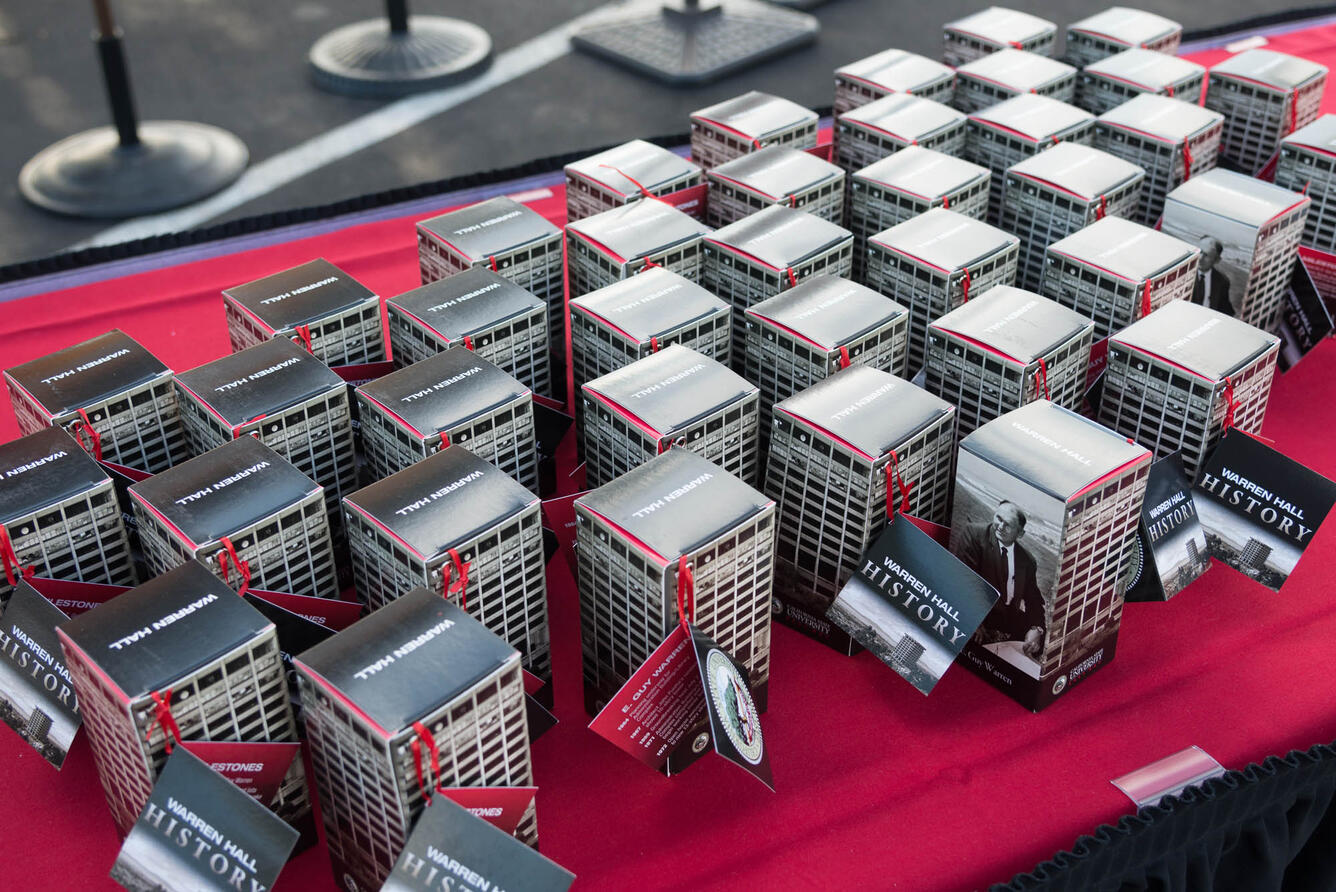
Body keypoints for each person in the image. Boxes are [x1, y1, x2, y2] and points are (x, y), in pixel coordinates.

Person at [957, 501, 1045, 659]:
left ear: (1020, 534)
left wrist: (1036, 629)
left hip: (1007, 616)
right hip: (977, 609)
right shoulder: (974, 534)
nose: (1000, 526)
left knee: (1038, 643)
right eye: (998, 518)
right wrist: (972, 619)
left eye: (1008, 525)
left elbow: (1034, 599)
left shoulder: (1027, 560)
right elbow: (963, 579)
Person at [1193, 236, 1235, 317]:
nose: (1200, 258)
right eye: (1200, 252)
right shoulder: (1184, 273)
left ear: (1217, 260)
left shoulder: (1222, 281)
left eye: (1206, 255)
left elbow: (1226, 310)